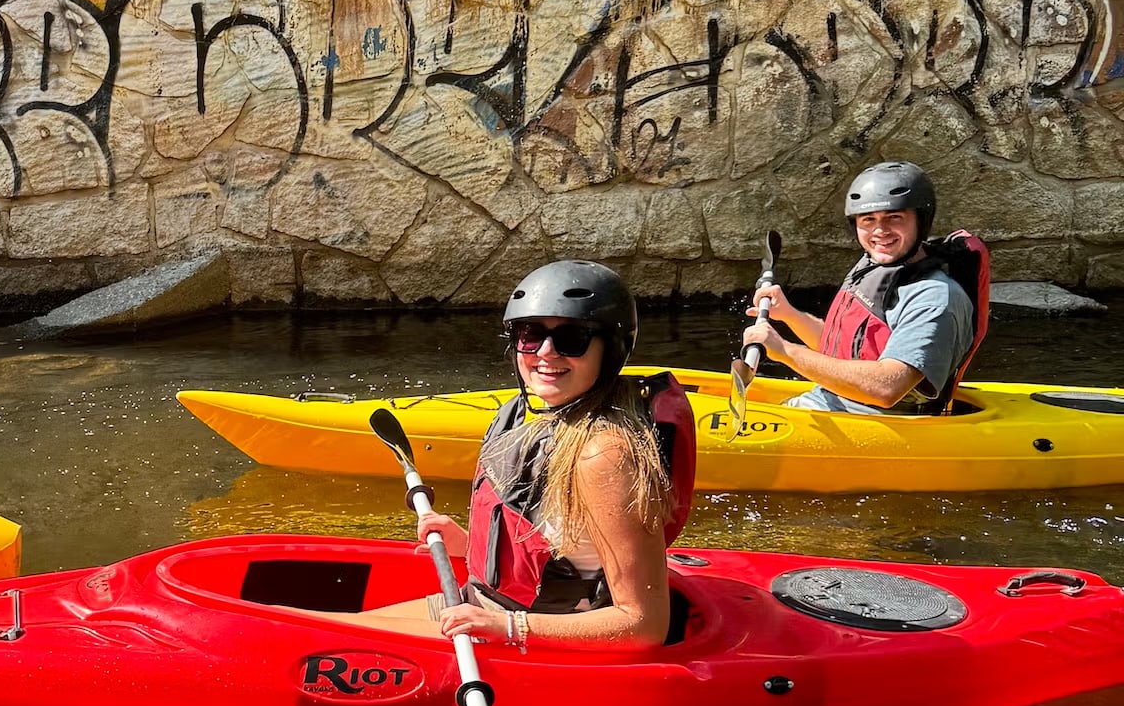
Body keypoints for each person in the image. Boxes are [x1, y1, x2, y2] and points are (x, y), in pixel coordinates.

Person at [409, 261, 694, 656]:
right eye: (531, 335)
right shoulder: (552, 421)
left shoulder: (604, 454)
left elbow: (643, 623)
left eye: (571, 338)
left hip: (534, 637)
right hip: (488, 607)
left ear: (609, 350)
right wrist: (472, 545)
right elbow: (563, 545)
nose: (545, 352)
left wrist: (509, 627)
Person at [741, 161, 977, 415]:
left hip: (879, 426)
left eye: (894, 217)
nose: (880, 231)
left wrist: (785, 351)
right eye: (868, 219)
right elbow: (841, 349)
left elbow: (887, 388)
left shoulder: (933, 297)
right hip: (832, 403)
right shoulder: (876, 266)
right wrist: (790, 315)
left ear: (921, 220)